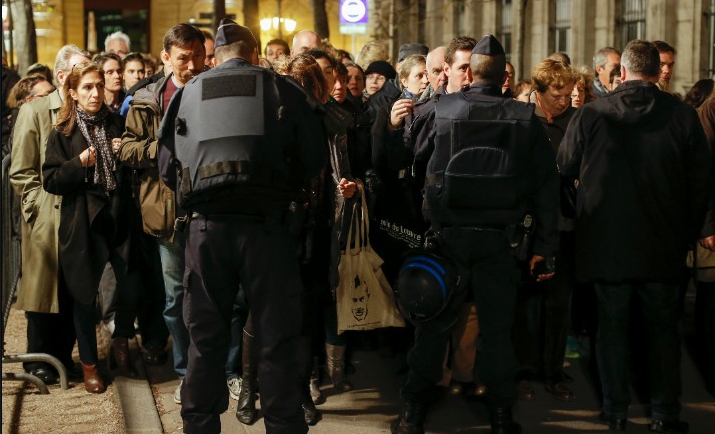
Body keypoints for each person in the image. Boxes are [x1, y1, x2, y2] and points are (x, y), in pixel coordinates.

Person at [157, 18, 327, 434]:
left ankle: (199, 425)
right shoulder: (282, 89)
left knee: (205, 342)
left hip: (207, 232)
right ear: (254, 55)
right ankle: (283, 425)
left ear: (215, 58)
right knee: (276, 339)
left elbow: (166, 167)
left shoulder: (188, 93)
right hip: (267, 231)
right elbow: (314, 159)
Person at [391, 34, 559, 434]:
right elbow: (546, 189)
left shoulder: (442, 110)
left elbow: (415, 162)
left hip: (447, 238)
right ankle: (501, 416)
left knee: (433, 329)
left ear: (471, 74)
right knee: (498, 333)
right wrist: (546, 245)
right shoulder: (524, 119)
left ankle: (412, 413)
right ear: (503, 77)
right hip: (500, 241)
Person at [557, 39, 713, 433]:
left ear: (622, 72)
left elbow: (564, 164)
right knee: (662, 332)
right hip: (662, 244)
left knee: (611, 330)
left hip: (606, 243)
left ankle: (615, 410)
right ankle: (664, 412)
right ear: (657, 71)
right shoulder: (682, 116)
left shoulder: (592, 114)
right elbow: (701, 182)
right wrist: (687, 230)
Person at [119, 22, 208, 404]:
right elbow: (127, 149)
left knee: (214, 295)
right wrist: (164, 148)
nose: (192, 65)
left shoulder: (215, 91)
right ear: (166, 58)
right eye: (184, 58)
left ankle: (220, 369)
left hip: (209, 209)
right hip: (167, 212)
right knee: (174, 297)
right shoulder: (146, 100)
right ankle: (186, 371)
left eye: (198, 56)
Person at [42, 60, 135, 393]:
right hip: (82, 222)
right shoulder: (63, 132)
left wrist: (125, 153)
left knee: (129, 288)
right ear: (72, 92)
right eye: (87, 88)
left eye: (98, 86)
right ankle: (90, 365)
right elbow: (50, 179)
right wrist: (78, 164)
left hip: (118, 216)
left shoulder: (116, 122)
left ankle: (121, 343)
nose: (95, 93)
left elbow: (132, 169)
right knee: (84, 298)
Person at [9, 44, 90, 386]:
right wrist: (36, 208)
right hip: (47, 215)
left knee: (71, 290)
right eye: (79, 70)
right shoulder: (35, 111)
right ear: (61, 76)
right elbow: (21, 170)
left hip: (77, 214)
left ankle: (62, 357)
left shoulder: (83, 109)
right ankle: (38, 360)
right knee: (44, 292)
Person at [515, 58, 577, 402]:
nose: (564, 101)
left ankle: (553, 370)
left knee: (559, 303)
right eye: (557, 95)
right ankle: (524, 369)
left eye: (568, 94)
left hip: (565, 224)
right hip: (530, 226)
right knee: (527, 303)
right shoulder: (524, 121)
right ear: (538, 93)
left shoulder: (576, 121)